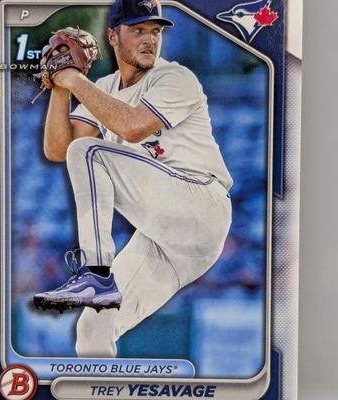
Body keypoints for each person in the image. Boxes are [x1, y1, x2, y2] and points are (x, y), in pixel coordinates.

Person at [34, 0, 233, 357]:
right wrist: (61, 87)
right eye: (138, 30)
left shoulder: (176, 78)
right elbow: (58, 149)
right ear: (113, 36)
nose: (149, 39)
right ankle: (99, 385)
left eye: (155, 31)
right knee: (93, 327)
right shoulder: (106, 86)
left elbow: (132, 126)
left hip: (200, 204)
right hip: (166, 240)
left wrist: (74, 78)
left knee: (90, 152)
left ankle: (97, 274)